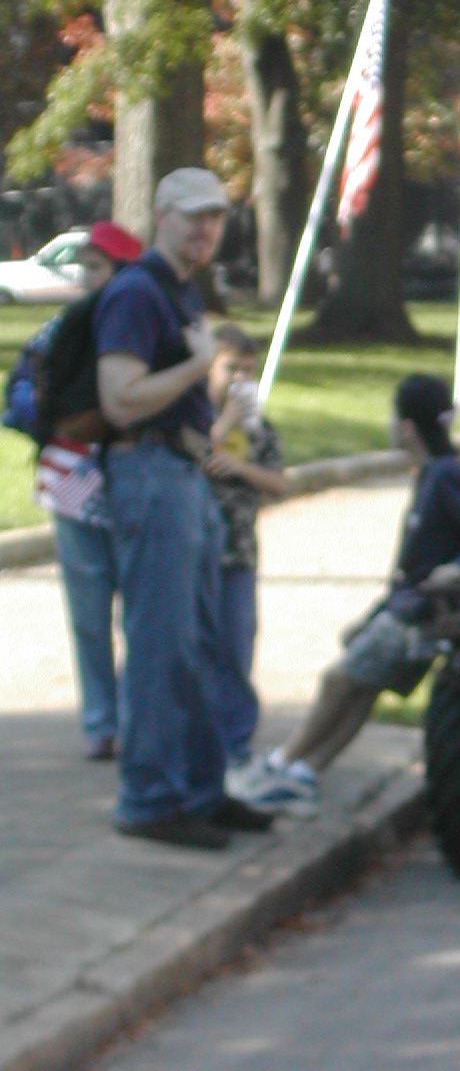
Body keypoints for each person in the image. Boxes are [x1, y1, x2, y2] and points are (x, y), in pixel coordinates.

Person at [230, 373, 460, 817]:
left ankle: (282, 763)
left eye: (394, 416)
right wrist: (373, 612)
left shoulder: (445, 476)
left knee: (339, 680)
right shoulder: (432, 475)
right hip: (403, 608)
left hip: (419, 615)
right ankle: (305, 773)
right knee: (361, 689)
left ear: (409, 427)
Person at [94, 168, 272, 849]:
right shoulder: (138, 290)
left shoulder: (178, 291)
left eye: (216, 217)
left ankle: (200, 791)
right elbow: (120, 398)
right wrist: (200, 368)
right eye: (192, 215)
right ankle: (147, 799)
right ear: (160, 214)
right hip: (148, 471)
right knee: (160, 645)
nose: (204, 228)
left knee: (199, 645)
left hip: (182, 473)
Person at [16, 222, 143, 757]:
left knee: (141, 611)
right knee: (90, 614)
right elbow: (22, 386)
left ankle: (140, 716)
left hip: (136, 481)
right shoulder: (58, 329)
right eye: (86, 266)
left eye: (100, 266)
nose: (90, 276)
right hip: (71, 482)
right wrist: (44, 417)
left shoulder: (145, 330)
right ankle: (102, 724)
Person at [204, 324, 289, 774]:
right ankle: (195, 738)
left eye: (247, 371)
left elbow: (278, 481)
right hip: (195, 556)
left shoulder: (258, 430)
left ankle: (235, 739)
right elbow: (193, 456)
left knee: (236, 646)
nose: (238, 379)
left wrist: (241, 466)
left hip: (239, 555)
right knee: (196, 649)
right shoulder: (194, 420)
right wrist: (222, 427)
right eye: (229, 368)